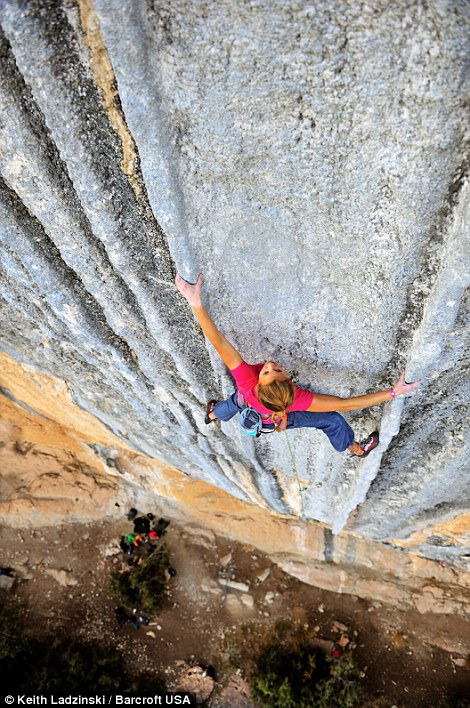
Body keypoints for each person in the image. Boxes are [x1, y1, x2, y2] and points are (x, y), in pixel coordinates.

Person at [175, 274, 419, 457]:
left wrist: (195, 302)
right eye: (274, 371)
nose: (270, 365)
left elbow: (218, 343)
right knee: (331, 420)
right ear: (290, 384)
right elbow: (347, 404)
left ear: (259, 384)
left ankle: (212, 415)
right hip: (271, 419)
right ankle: (356, 449)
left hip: (248, 402)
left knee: (235, 402)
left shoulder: (248, 381)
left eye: (268, 372)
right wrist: (393, 392)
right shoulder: (298, 399)